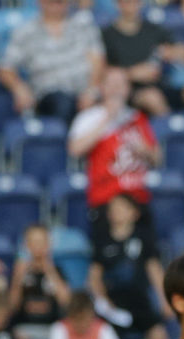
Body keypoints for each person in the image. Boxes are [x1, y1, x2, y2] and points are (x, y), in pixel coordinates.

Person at [71, 67, 160, 244]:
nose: (116, 88)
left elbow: (157, 158)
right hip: (106, 200)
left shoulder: (137, 118)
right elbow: (75, 149)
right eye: (111, 83)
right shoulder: (89, 117)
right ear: (102, 87)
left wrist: (144, 150)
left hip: (137, 199)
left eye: (121, 84)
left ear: (128, 88)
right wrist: (107, 119)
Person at [101, 0, 184, 118]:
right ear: (117, 4)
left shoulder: (154, 29)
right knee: (152, 97)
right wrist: (131, 73)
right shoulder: (108, 35)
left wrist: (177, 53)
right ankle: (170, 131)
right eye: (127, 1)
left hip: (162, 85)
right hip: (131, 92)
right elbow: (102, 73)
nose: (132, 4)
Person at [0, 0, 105, 119]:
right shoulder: (26, 32)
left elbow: (97, 61)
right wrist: (19, 88)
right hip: (50, 97)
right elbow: (5, 67)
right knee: (63, 103)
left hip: (85, 94)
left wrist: (91, 91)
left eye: (59, 1)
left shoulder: (84, 27)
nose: (55, 3)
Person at [88, 193, 165, 339]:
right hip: (114, 302)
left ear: (134, 213)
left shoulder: (143, 238)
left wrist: (164, 299)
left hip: (139, 301)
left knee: (159, 337)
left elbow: (154, 269)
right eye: (113, 208)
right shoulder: (102, 240)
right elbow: (94, 276)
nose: (117, 211)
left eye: (122, 207)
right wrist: (103, 301)